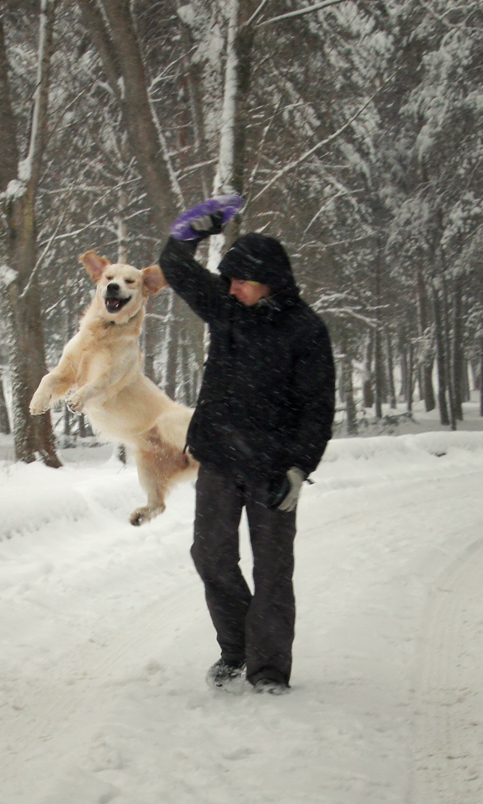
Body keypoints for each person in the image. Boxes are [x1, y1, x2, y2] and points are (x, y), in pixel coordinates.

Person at [158, 196, 335, 695]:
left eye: (242, 280)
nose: (231, 288)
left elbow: (317, 408)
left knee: (273, 570)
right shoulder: (227, 307)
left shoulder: (306, 331)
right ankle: (235, 649)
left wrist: (299, 468)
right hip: (219, 457)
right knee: (210, 555)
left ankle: (269, 669)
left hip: (273, 468)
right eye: (229, 279)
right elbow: (176, 268)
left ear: (270, 281)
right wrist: (189, 232)